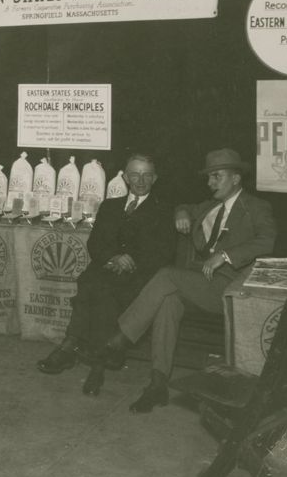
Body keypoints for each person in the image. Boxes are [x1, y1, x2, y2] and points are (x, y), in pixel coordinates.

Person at [104, 147, 277, 413]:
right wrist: (181, 213)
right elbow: (184, 206)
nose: (210, 183)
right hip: (202, 285)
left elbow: (267, 241)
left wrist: (226, 255)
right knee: (168, 301)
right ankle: (158, 383)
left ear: (236, 178)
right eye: (208, 178)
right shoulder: (209, 206)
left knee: (166, 276)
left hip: (231, 289)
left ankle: (120, 338)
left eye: (217, 177)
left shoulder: (256, 207)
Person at [36, 153, 176, 396]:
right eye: (134, 174)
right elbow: (95, 243)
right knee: (92, 282)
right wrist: (112, 257)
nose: (140, 180)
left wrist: (130, 263)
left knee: (103, 291)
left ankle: (79, 354)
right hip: (107, 268)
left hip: (139, 274)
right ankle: (94, 357)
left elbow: (164, 252)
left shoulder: (163, 210)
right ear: (125, 177)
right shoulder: (110, 206)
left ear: (155, 178)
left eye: (146, 175)